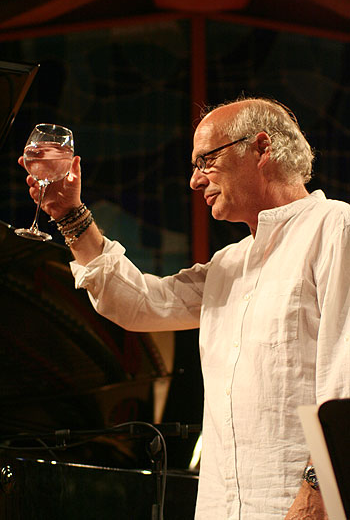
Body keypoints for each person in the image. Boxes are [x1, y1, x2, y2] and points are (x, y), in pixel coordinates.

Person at [22, 97, 350, 519]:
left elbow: (344, 377)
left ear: (261, 147)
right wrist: (69, 214)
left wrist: (321, 489)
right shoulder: (229, 264)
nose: (195, 181)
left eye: (206, 161)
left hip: (298, 505)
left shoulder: (334, 227)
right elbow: (139, 304)